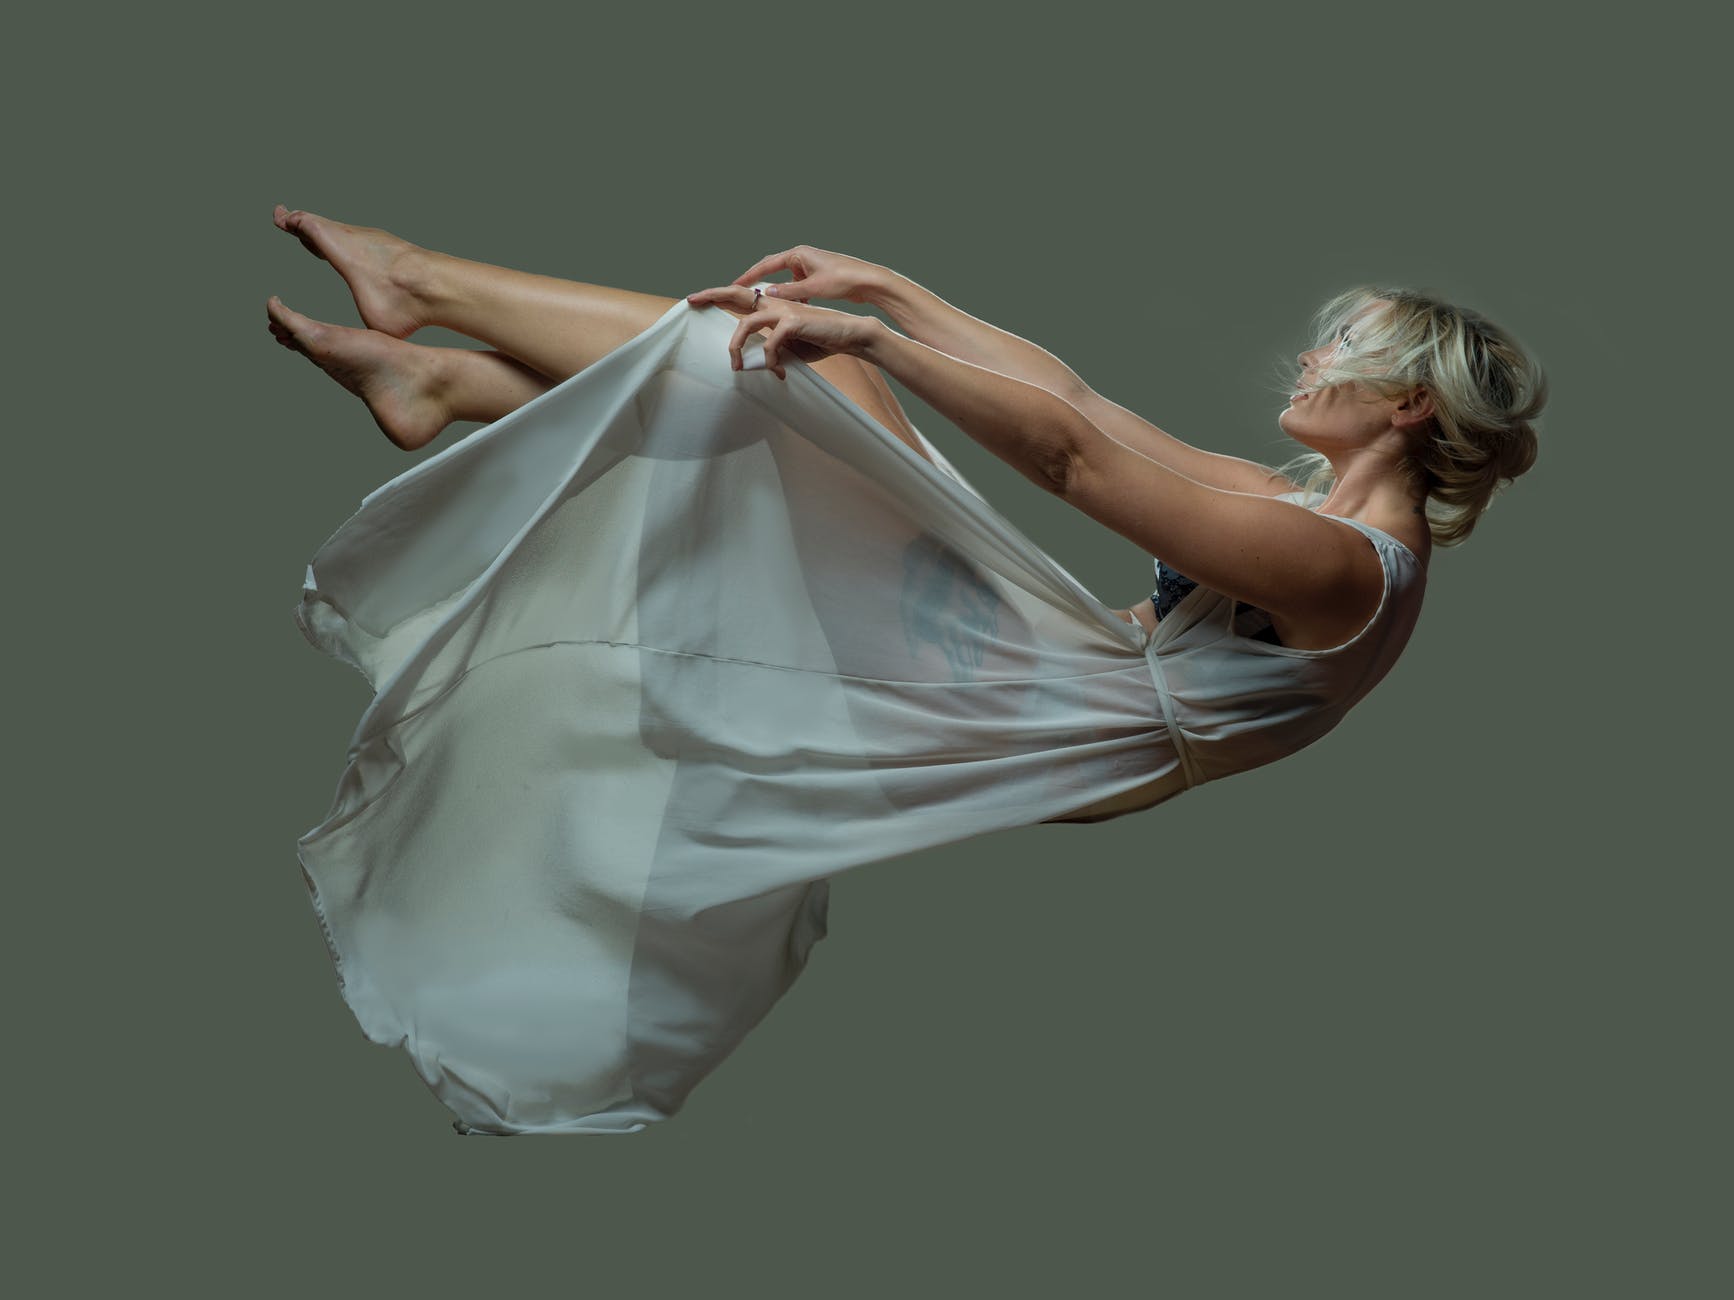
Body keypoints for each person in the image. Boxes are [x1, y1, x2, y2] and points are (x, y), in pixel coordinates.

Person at [273, 206, 1545, 1135]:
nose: (1313, 360)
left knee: (785, 374)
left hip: (1059, 716)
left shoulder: (1345, 570)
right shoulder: (1302, 506)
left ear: (1408, 408)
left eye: (1345, 350)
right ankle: (437, 370)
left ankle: (423, 294)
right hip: (1060, 671)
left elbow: (1074, 464)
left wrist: (876, 342)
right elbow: (1079, 401)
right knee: (798, 389)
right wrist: (894, 292)